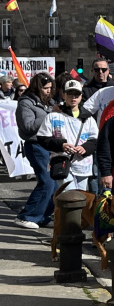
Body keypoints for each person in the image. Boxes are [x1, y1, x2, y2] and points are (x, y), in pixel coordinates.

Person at [36, 80, 99, 192]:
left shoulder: (88, 118)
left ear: (81, 96)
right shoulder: (53, 116)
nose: (73, 97)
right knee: (70, 196)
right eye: (70, 94)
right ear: (64, 95)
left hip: (83, 165)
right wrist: (61, 145)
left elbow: (95, 139)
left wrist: (85, 148)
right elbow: (42, 138)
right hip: (62, 163)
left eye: (76, 94)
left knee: (81, 198)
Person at [13, 73, 55, 229]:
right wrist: (49, 116)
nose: (48, 91)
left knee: (55, 184)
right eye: (45, 88)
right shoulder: (25, 103)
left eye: (50, 88)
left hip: (50, 145)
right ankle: (27, 215)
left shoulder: (47, 102)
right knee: (47, 181)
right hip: (36, 145)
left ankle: (42, 215)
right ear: (37, 87)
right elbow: (28, 126)